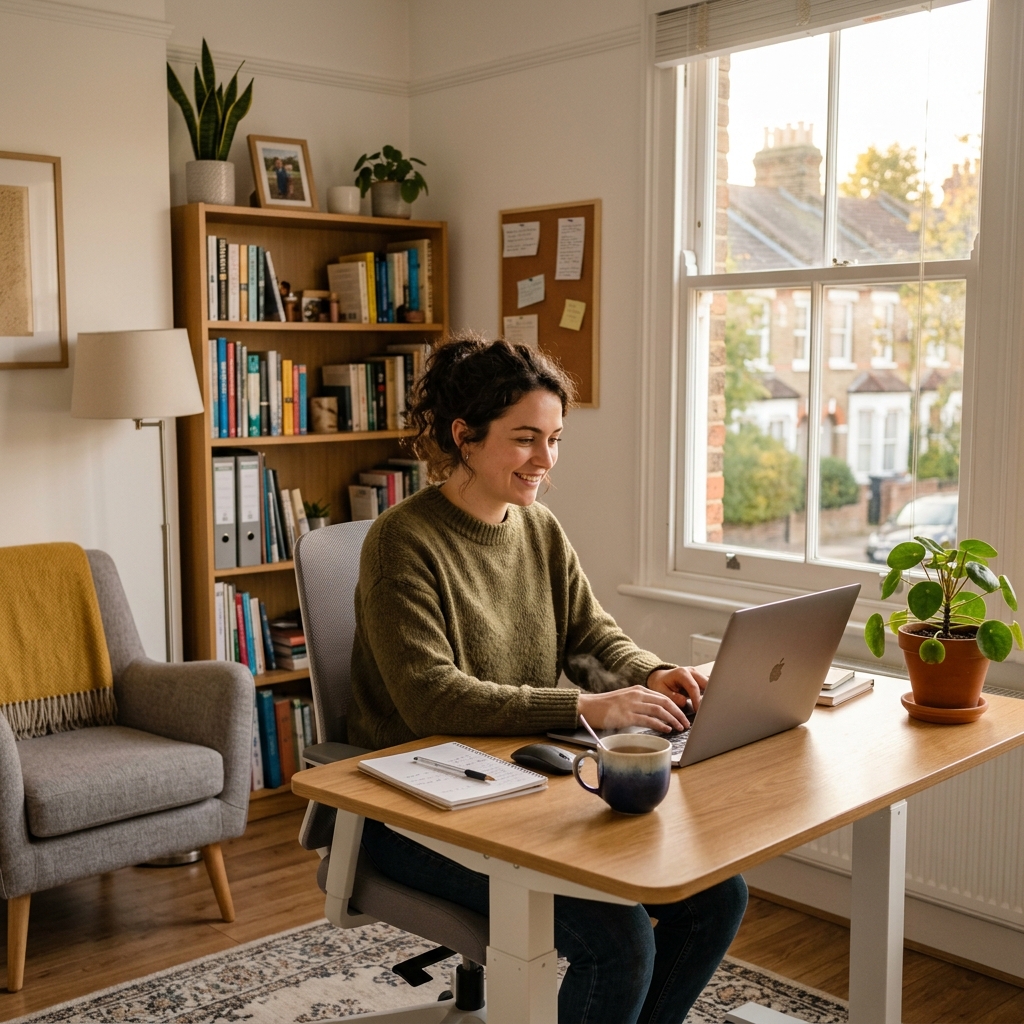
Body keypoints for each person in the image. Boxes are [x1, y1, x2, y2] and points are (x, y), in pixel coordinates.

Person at [349, 334, 747, 1024]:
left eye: (555, 439)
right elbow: (430, 698)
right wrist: (594, 704)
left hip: (522, 787)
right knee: (616, 944)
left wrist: (653, 672)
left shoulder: (538, 529)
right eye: (525, 438)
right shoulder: (401, 541)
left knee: (718, 897)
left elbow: (590, 635)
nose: (545, 461)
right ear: (464, 437)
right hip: (412, 808)